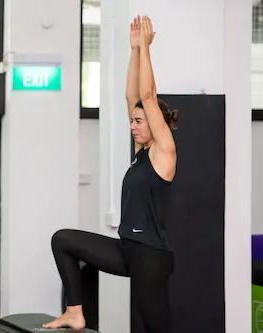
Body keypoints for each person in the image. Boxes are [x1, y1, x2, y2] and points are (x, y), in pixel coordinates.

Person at [43, 16, 178, 333]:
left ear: (157, 124)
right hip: (126, 249)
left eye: (139, 122)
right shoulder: (140, 153)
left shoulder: (164, 151)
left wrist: (146, 49)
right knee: (62, 240)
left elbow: (147, 95)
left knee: (156, 326)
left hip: (151, 257)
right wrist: (133, 50)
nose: (133, 126)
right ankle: (75, 312)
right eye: (132, 122)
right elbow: (133, 98)